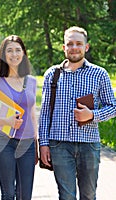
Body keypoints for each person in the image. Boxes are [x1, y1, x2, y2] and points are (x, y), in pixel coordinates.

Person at [39, 26, 116, 200]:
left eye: (78, 44)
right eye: (70, 44)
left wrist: (92, 115)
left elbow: (113, 106)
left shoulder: (99, 74)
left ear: (86, 47)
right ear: (64, 47)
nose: (74, 47)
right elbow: (45, 113)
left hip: (88, 145)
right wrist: (43, 144)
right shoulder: (52, 74)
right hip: (59, 145)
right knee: (66, 196)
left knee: (89, 195)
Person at [0, 35, 38, 200]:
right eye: (9, 50)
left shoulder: (30, 81)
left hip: (27, 143)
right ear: (3, 54)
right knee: (8, 194)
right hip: (3, 142)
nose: (14, 54)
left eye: (18, 50)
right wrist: (6, 122)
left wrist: (37, 142)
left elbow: (32, 113)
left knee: (25, 195)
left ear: (23, 53)